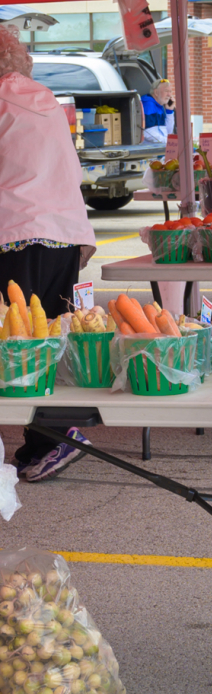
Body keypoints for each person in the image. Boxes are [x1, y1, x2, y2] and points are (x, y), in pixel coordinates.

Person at [0, 26, 96, 482]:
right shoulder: (46, 100)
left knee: (16, 341)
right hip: (64, 235)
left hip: (17, 233)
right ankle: (52, 436)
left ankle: (52, 439)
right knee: (51, 336)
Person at [140, 79, 174, 145]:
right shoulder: (148, 105)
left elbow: (168, 132)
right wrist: (168, 142)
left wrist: (169, 112)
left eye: (170, 91)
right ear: (156, 92)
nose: (169, 95)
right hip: (151, 151)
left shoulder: (160, 105)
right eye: (166, 91)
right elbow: (147, 133)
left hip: (160, 148)